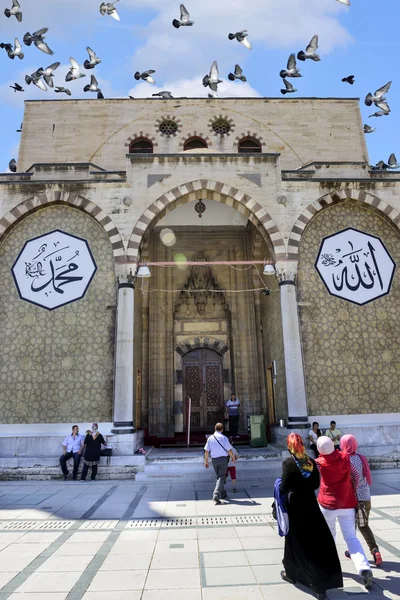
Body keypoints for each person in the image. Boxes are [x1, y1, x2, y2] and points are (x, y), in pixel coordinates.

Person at [279, 433, 343, 600]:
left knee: (295, 541)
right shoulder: (311, 462)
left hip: (295, 508)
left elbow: (284, 488)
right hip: (311, 505)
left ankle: (295, 575)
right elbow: (315, 484)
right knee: (315, 542)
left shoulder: (288, 463)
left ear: (289, 446)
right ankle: (315, 580)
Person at [316, 436, 374, 591]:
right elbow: (355, 476)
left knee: (329, 537)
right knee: (351, 538)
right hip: (347, 504)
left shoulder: (319, 463)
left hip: (327, 505)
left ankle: (328, 568)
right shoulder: (345, 458)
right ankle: (365, 569)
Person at [341, 434, 383, 567]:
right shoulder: (361, 458)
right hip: (365, 498)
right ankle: (375, 550)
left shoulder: (344, 460)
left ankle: (352, 550)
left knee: (350, 526)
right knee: (363, 525)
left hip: (352, 499)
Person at [204, 422, 237, 505]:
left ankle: (222, 493)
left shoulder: (210, 438)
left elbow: (207, 451)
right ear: (222, 429)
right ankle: (216, 495)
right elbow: (229, 449)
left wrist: (206, 461)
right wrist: (233, 457)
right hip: (223, 459)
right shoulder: (224, 438)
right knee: (221, 477)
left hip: (214, 460)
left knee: (218, 477)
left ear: (215, 428)